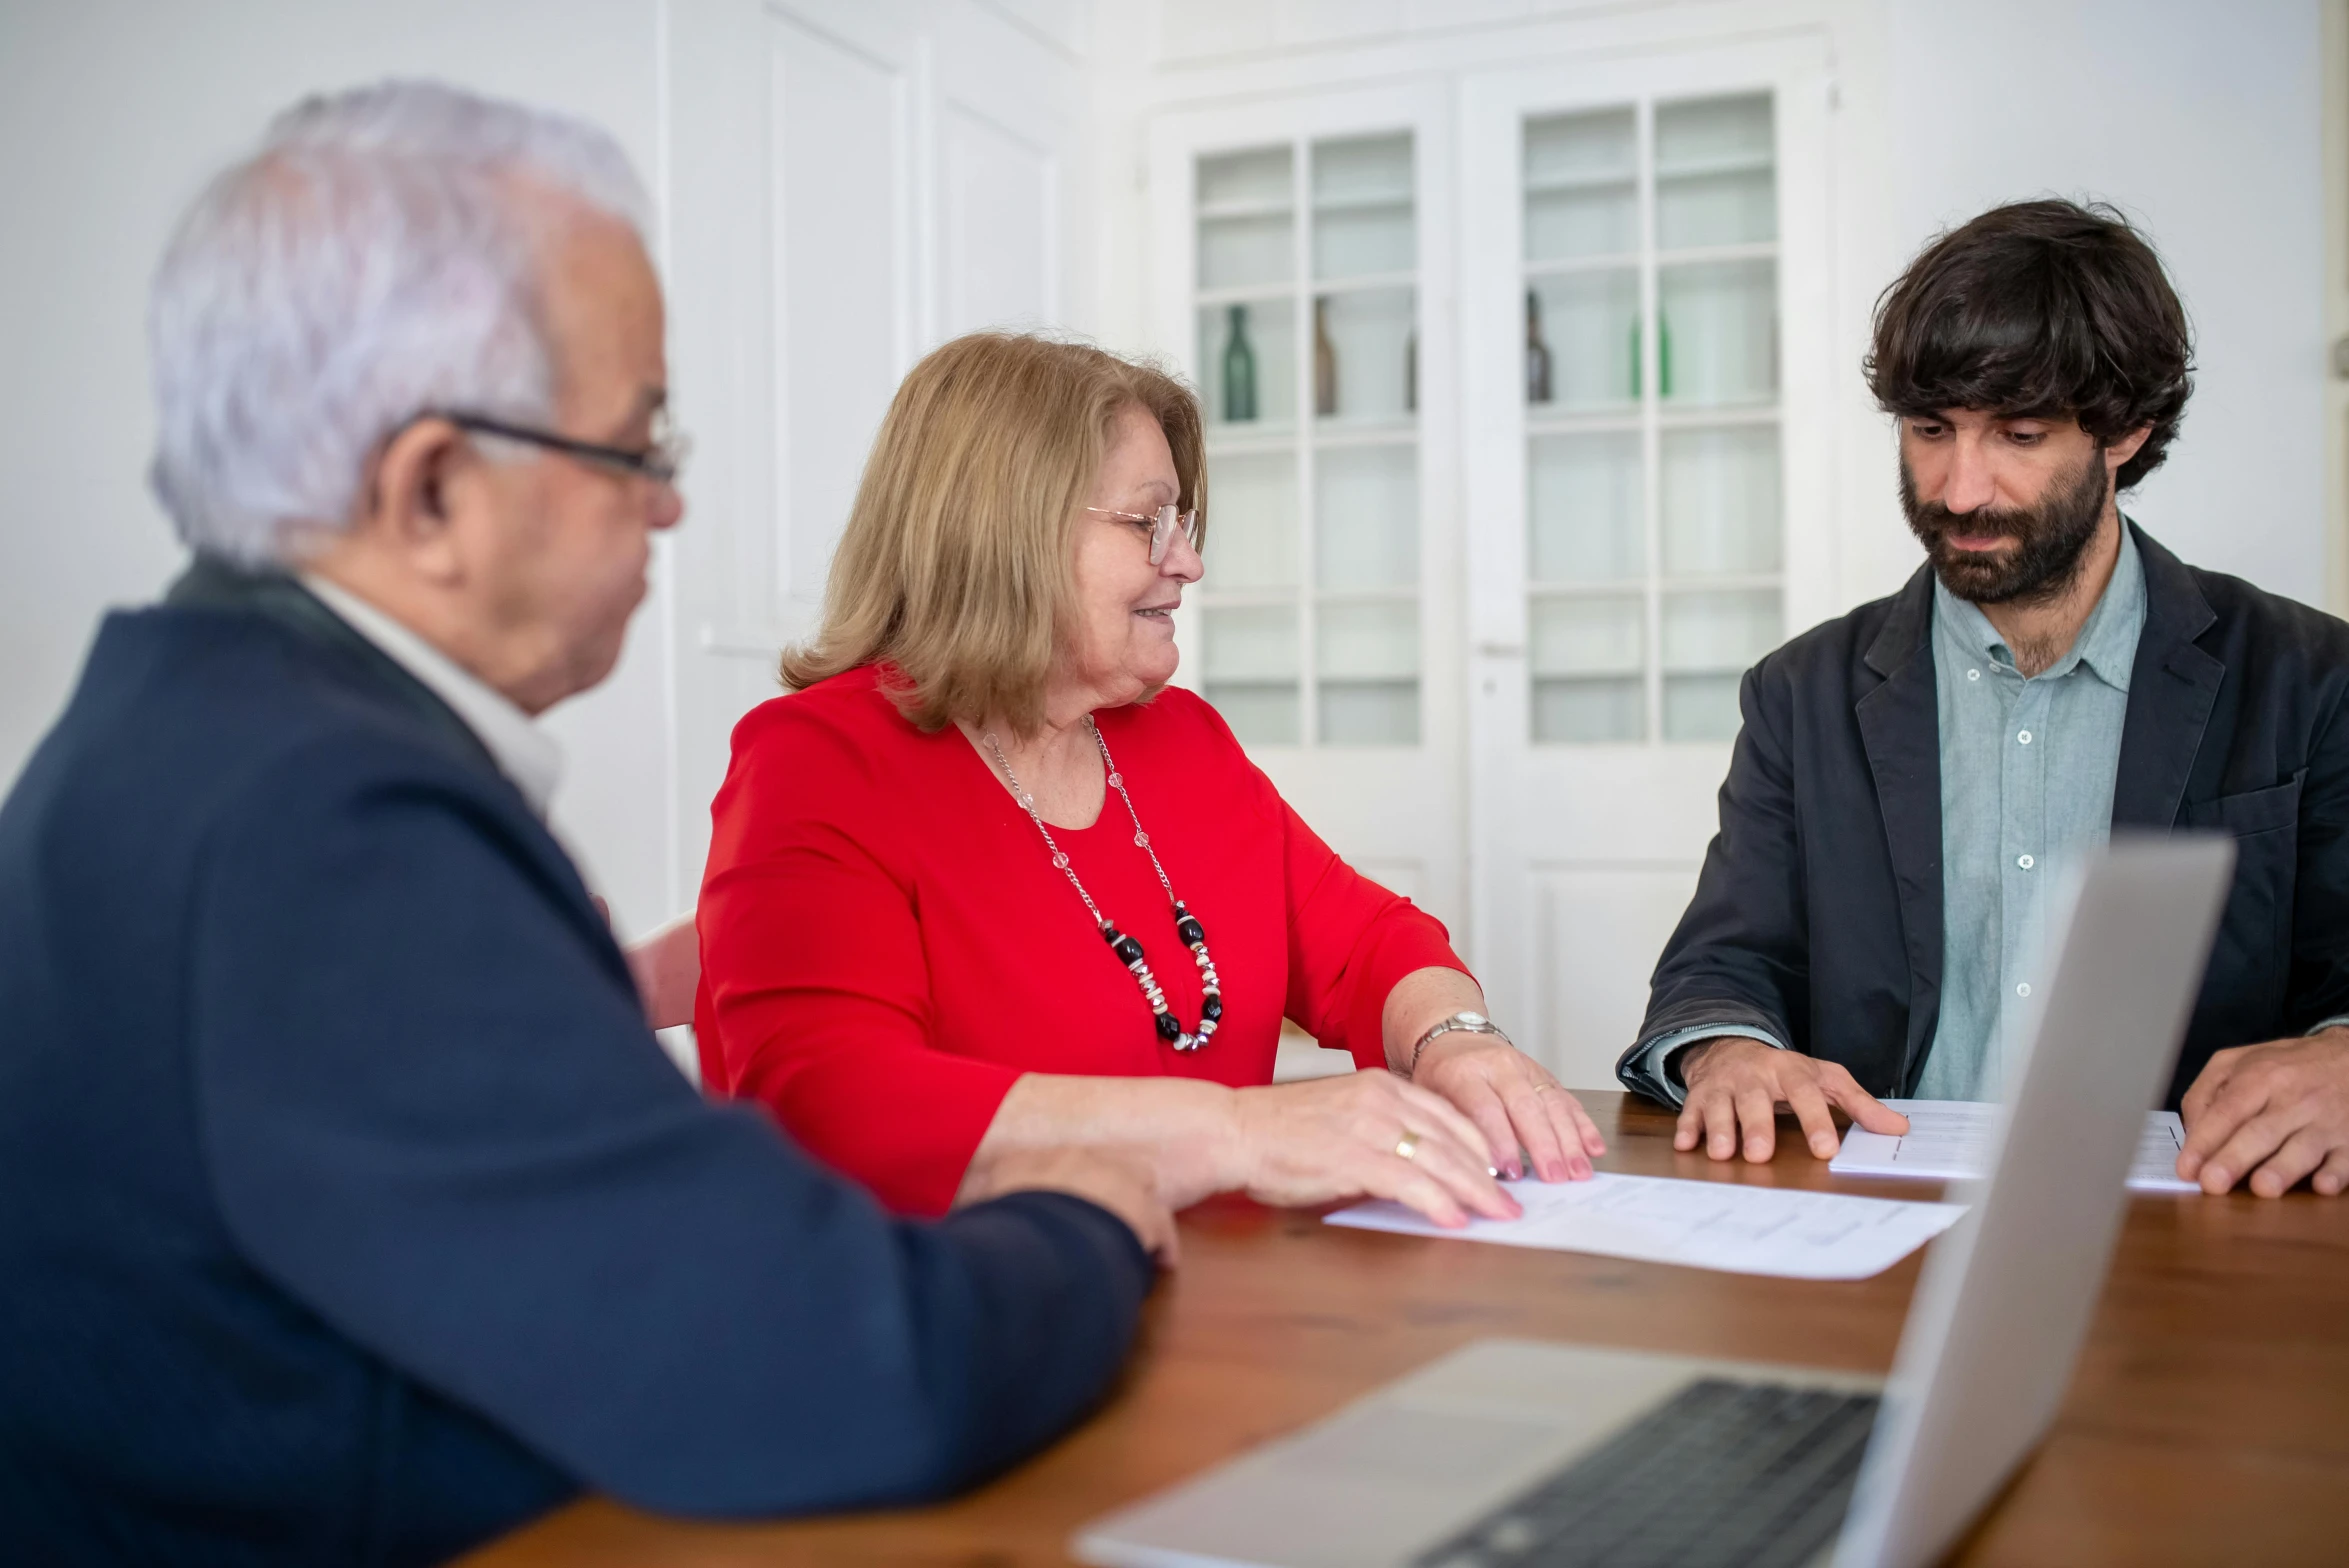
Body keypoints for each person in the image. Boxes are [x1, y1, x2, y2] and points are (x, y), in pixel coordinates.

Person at [0, 81, 1175, 1565]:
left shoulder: (180, 733)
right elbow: (835, 1368)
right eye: (637, 448)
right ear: (430, 490)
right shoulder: (330, 829)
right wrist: (1079, 1216)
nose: (669, 512)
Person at [695, 332, 1606, 1227]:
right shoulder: (818, 759)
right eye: (1148, 522)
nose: (1187, 561)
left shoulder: (1179, 742)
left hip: (1207, 1296)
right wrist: (1242, 1131)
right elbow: (832, 1103)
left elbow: (1365, 943)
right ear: (1008, 531)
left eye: (1183, 523)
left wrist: (1452, 1039)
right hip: (965, 1317)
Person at [1617, 199, 2349, 1201]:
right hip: (1868, 1216)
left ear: (2126, 430)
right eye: (1930, 430)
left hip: (2196, 1222)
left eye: (2019, 434)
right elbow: (1725, 961)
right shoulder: (1802, 693)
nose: (1959, 489)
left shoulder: (2308, 678)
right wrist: (1729, 1051)